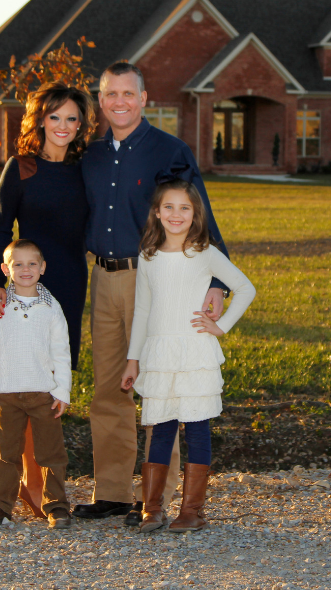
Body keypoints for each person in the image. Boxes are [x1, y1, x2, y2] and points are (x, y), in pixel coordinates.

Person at [75, 61, 230, 524]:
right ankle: (115, 494)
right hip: (103, 279)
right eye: (110, 94)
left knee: (162, 388)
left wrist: (218, 282)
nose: (119, 101)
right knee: (109, 388)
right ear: (100, 101)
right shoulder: (92, 154)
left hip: (157, 281)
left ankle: (155, 501)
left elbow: (198, 215)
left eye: (128, 93)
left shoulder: (170, 151)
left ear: (144, 99)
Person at [121, 180, 256, 533]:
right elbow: (142, 311)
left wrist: (221, 327)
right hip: (160, 354)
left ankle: (192, 512)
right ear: (156, 212)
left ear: (195, 214)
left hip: (195, 352)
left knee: (197, 429)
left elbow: (245, 288)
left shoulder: (206, 252)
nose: (176, 214)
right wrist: (133, 359)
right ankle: (153, 509)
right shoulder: (148, 255)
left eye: (185, 208)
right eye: (169, 207)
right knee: (161, 429)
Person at [0, 83, 93, 519]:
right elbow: (0, 230)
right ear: (40, 120)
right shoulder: (21, 168)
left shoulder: (86, 169)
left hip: (68, 283)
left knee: (51, 381)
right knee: (23, 380)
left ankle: (51, 488)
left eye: (72, 118)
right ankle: (31, 486)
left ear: (81, 124)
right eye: (55, 117)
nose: (63, 126)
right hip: (24, 287)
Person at [0, 240, 75, 530]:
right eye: (18, 264)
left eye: (32, 264)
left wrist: (62, 391)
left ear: (42, 268)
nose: (25, 269)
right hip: (8, 393)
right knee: (6, 453)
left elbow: (61, 351)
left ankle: (56, 505)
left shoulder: (51, 308)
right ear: (6, 269)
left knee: (51, 453)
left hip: (44, 393)